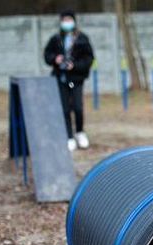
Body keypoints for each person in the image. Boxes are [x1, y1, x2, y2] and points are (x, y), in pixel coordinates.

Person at [44, 10, 95, 151]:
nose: (67, 23)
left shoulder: (82, 38)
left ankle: (80, 132)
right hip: (61, 79)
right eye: (64, 20)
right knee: (64, 108)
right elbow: (47, 55)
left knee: (77, 107)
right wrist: (56, 58)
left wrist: (75, 65)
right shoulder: (56, 39)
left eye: (69, 20)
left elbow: (89, 59)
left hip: (75, 80)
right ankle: (69, 136)